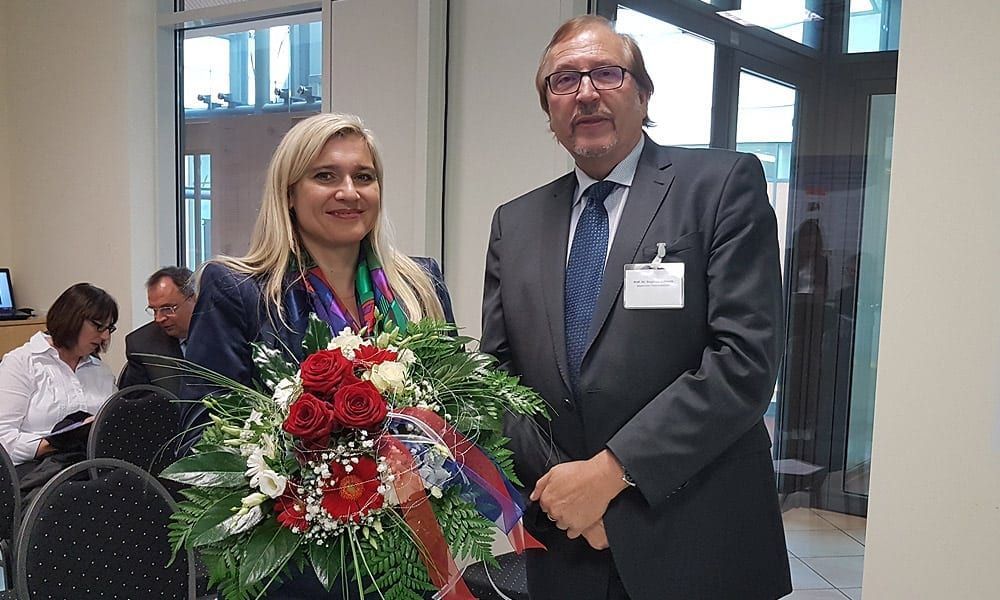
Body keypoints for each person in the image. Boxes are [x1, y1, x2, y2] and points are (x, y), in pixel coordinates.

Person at [481, 15, 791, 600]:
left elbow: (744, 362)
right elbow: (498, 380)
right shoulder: (514, 223)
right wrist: (567, 492)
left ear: (643, 94)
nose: (586, 93)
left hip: (696, 535)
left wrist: (608, 475)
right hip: (568, 544)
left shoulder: (721, 185)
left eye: (606, 73)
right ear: (549, 109)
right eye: (564, 80)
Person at [181, 112, 455, 599]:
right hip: (294, 572)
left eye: (363, 177)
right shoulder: (239, 291)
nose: (349, 192)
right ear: (289, 192)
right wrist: (311, 477)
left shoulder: (420, 286)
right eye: (325, 176)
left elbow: (458, 412)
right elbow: (201, 439)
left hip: (405, 563)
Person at [0, 283, 117, 484]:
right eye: (99, 326)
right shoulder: (22, 363)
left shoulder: (101, 371)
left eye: (109, 328)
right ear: (71, 319)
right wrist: (55, 444)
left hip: (93, 470)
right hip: (36, 474)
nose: (105, 336)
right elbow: (4, 440)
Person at [118, 266, 195, 397]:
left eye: (167, 308)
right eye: (154, 310)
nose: (158, 319)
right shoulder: (142, 345)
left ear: (194, 299)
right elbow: (136, 403)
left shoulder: (225, 332)